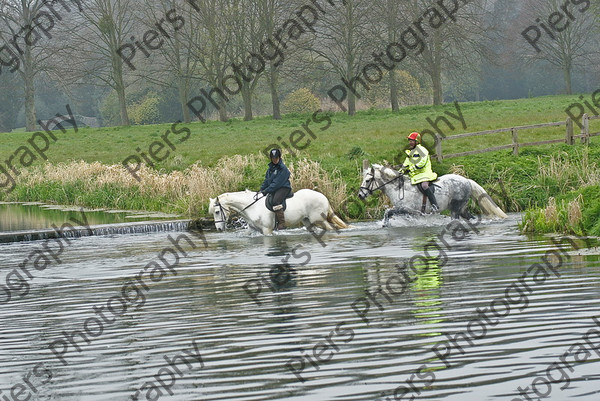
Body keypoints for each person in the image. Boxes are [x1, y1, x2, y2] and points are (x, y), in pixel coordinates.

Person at [402, 132, 439, 212]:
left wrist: (411, 169)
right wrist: (402, 170)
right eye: (410, 140)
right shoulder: (411, 151)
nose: (410, 142)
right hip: (416, 175)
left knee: (424, 185)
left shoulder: (422, 150)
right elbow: (407, 162)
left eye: (412, 141)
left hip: (425, 173)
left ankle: (434, 205)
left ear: (417, 141)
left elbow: (422, 163)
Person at [256, 148, 292, 229]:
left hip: (283, 187)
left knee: (276, 201)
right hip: (275, 188)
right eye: (273, 158)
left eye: (276, 158)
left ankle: (282, 223)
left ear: (279, 158)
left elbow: (276, 183)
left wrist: (266, 191)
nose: (275, 160)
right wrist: (261, 190)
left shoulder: (283, 168)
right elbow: (267, 181)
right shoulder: (270, 169)